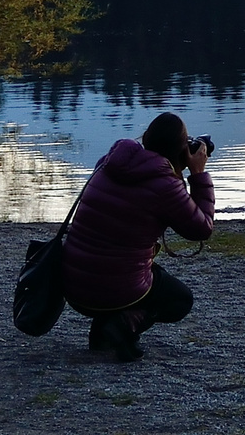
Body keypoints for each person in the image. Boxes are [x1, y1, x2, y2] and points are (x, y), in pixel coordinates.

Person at [62, 112, 215, 361]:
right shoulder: (165, 186)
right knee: (179, 299)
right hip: (113, 291)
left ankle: (107, 325)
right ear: (179, 150)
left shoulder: (109, 163)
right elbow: (202, 229)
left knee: (136, 269)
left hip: (73, 287)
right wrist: (198, 175)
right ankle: (120, 325)